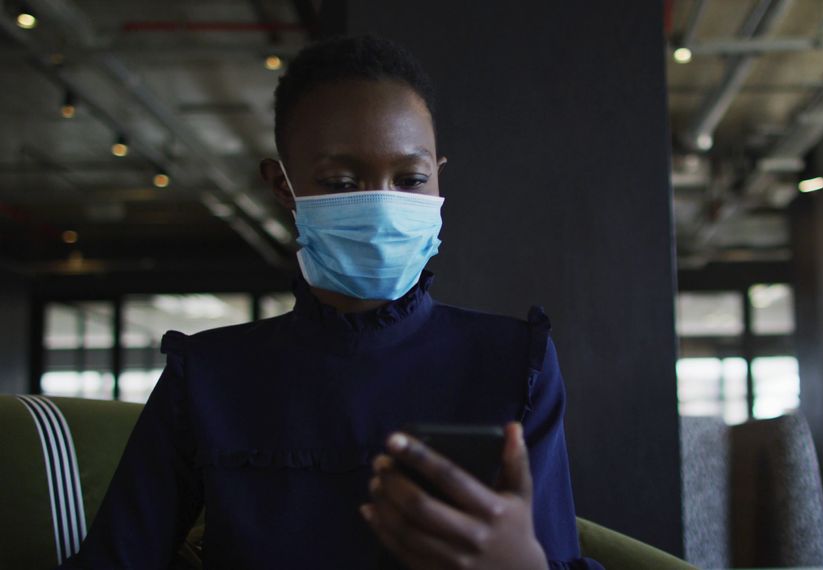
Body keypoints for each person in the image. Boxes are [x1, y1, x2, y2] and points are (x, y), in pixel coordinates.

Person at [59, 34, 601, 569]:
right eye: (341, 182)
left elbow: (553, 552)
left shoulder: (513, 364)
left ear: (439, 176)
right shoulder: (208, 378)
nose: (384, 207)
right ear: (283, 186)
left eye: (411, 178)